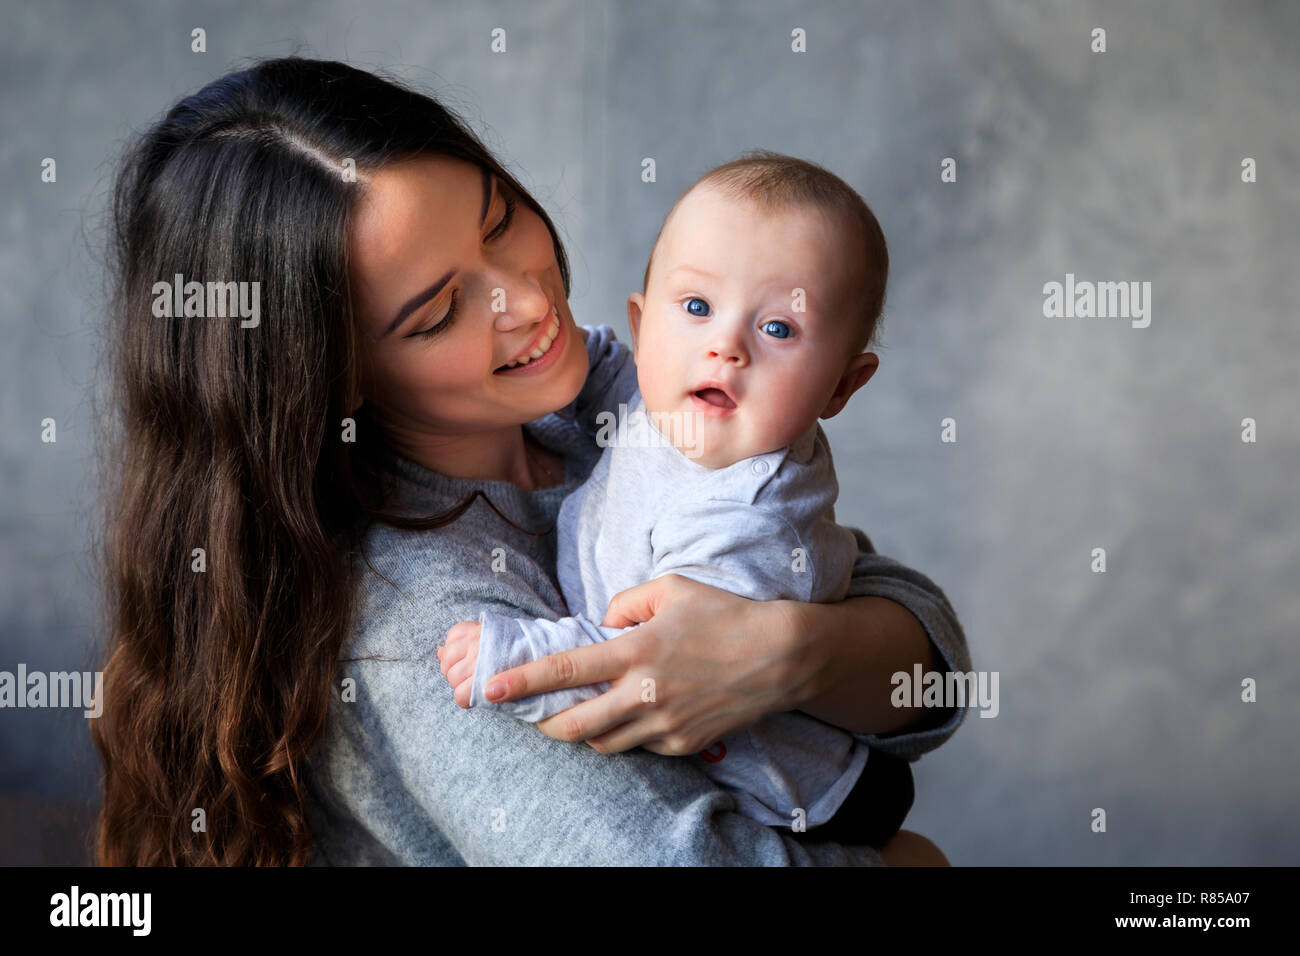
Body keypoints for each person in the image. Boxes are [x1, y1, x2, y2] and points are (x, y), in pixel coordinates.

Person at [92, 56, 969, 866]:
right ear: (331, 376)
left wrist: (789, 653)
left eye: (500, 220)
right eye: (439, 312)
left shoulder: (592, 414)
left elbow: (920, 649)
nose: (523, 299)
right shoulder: (424, 628)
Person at [440, 151, 919, 848]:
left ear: (842, 388)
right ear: (643, 329)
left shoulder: (747, 518)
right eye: (696, 307)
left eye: (779, 329)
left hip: (798, 796)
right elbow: (598, 368)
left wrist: (517, 653)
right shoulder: (656, 395)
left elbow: (647, 661)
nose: (725, 347)